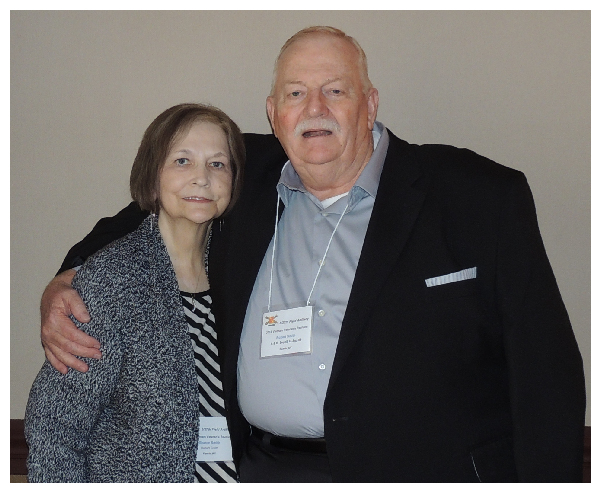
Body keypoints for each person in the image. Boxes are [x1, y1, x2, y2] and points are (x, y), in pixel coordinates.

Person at [38, 27, 586, 482]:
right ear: (274, 114)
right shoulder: (237, 176)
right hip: (261, 472)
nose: (315, 108)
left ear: (370, 104)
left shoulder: (477, 196)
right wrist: (67, 276)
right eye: (296, 93)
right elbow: (152, 202)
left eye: (336, 91)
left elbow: (547, 374)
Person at [25, 103, 245, 482]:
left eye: (217, 164)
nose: (202, 178)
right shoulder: (112, 280)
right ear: (152, 175)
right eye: (182, 161)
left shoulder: (243, 272)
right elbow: (56, 427)